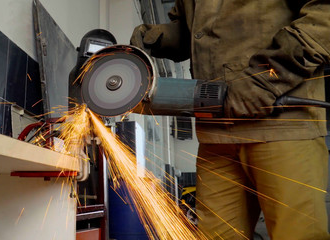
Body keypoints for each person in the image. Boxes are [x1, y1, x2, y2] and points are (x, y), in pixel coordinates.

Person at [130, 1, 330, 239]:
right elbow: (196, 31)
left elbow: (324, 17)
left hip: (281, 126)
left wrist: (265, 77)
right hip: (217, 136)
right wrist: (156, 37)